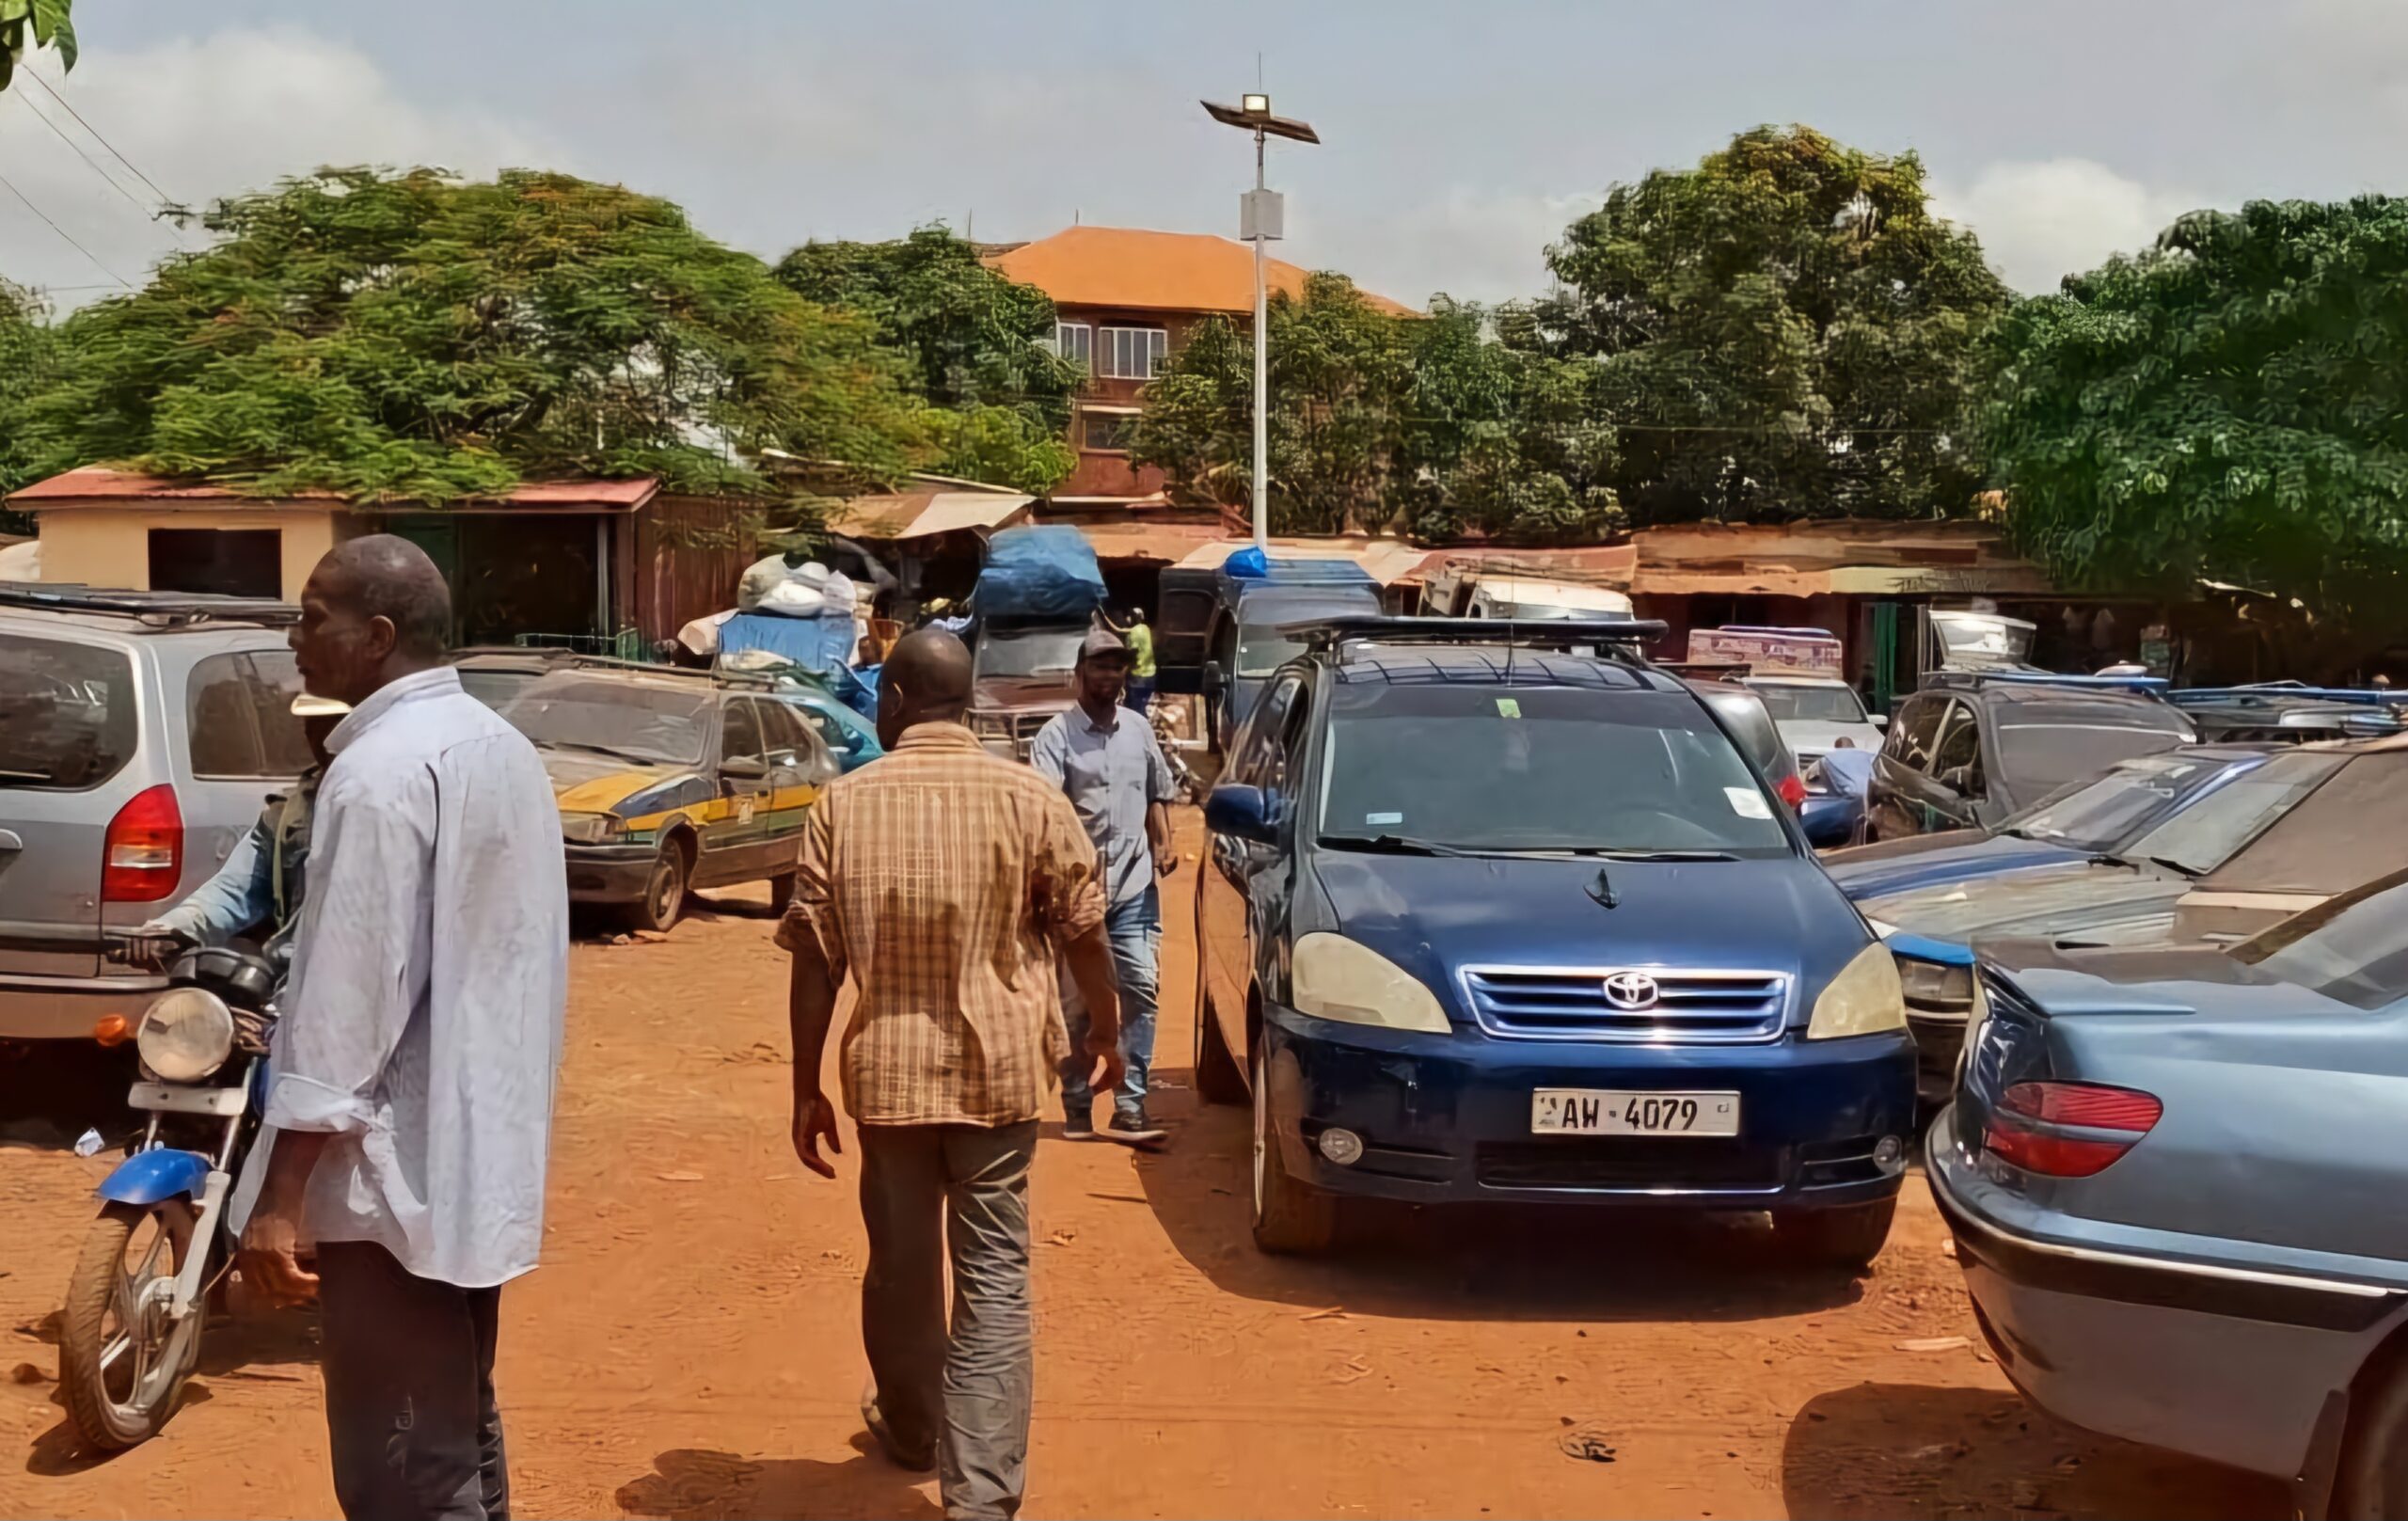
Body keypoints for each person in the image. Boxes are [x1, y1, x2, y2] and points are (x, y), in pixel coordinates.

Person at [236, 536, 567, 1521]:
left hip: (390, 1185)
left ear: (375, 638)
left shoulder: (380, 772)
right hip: (476, 1158)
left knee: (404, 1474)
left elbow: (345, 1001)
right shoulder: (496, 746)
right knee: (457, 1429)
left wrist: (280, 1195)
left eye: (311, 617)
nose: (295, 639)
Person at [778, 627, 1123, 1520]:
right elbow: (1084, 927)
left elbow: (816, 957)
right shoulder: (1031, 797)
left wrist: (804, 1082)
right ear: (966, 700)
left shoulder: (841, 804)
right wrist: (1109, 1032)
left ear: (892, 700)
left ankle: (913, 1425)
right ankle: (980, 1497)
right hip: (1000, 1079)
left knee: (900, 1265)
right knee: (994, 1278)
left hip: (888, 1083)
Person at [1028, 626, 1179, 1147]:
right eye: (1099, 666)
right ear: (1079, 673)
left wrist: (1163, 842)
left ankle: (1131, 1104)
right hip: (1077, 890)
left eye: (1117, 667)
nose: (1109, 676)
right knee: (1077, 1001)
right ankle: (1075, 1102)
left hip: (1135, 881)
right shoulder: (1054, 737)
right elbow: (1045, 813)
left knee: (1140, 986)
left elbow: (1159, 792)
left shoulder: (1139, 729)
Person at [131, 693, 347, 967]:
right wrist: (169, 931)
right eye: (314, 725)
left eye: (335, 724)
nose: (322, 738)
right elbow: (234, 890)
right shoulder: (288, 818)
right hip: (296, 984)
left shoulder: (399, 805)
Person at [1111, 605, 1158, 715]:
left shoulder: (1133, 633)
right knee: (1141, 705)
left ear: (1131, 618)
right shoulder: (1146, 629)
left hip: (1138, 676)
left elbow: (1133, 652)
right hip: (1151, 675)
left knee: (1135, 709)